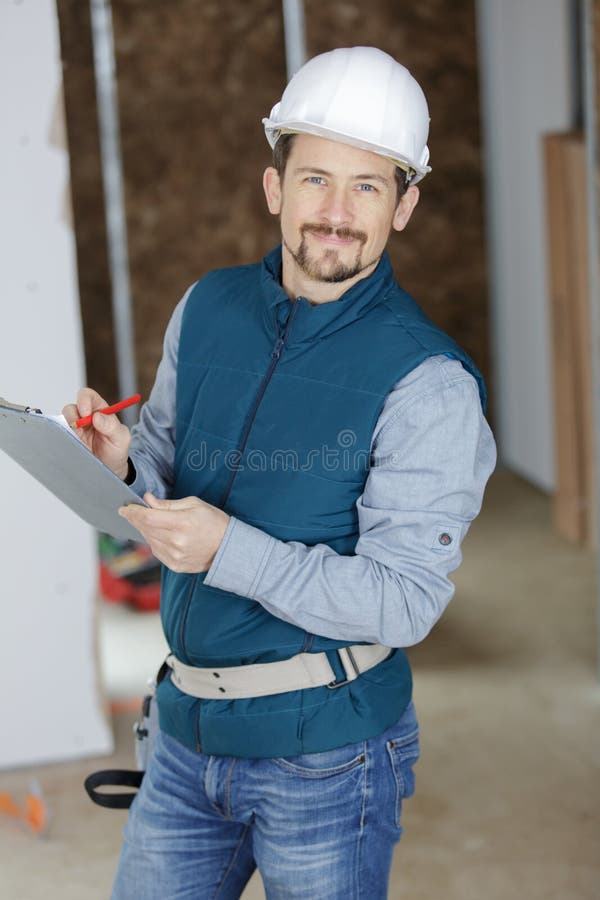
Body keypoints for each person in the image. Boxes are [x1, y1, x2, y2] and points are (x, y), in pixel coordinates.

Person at [65, 46, 496, 900]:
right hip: (186, 732)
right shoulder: (208, 307)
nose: (335, 213)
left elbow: (406, 599)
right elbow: (159, 470)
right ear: (275, 188)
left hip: (326, 758)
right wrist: (123, 464)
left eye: (367, 187)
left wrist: (228, 549)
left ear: (405, 206)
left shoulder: (427, 383)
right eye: (315, 181)